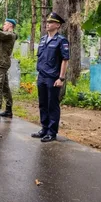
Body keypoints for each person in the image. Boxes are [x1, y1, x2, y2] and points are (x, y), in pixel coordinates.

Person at [31, 12, 69, 142]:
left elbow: (65, 60)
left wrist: (61, 78)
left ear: (57, 25)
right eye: (47, 22)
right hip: (42, 76)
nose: (47, 24)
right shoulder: (42, 40)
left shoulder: (61, 40)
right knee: (42, 104)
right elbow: (40, 58)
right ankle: (44, 128)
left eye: (51, 22)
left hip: (53, 78)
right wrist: (38, 75)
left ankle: (52, 132)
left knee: (52, 104)